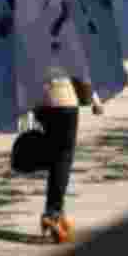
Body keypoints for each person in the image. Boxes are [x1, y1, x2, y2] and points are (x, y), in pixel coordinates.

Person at [33, 76, 102, 244]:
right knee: (63, 158)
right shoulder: (66, 54)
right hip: (64, 101)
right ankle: (53, 212)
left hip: (40, 103)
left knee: (54, 157)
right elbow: (80, 70)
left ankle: (56, 210)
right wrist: (95, 99)